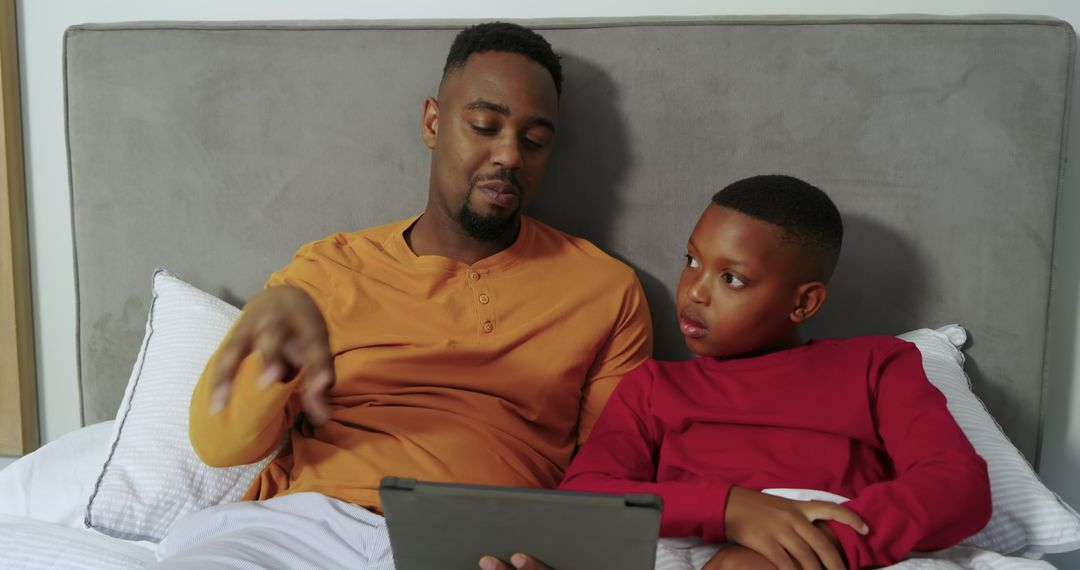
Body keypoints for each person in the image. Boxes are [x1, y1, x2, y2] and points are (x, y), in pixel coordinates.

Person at [154, 22, 653, 569]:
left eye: (534, 140)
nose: (509, 155)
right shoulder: (327, 270)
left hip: (479, 545)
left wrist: (559, 551)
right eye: (485, 125)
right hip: (311, 526)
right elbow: (219, 447)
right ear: (433, 123)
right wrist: (273, 357)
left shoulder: (605, 290)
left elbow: (612, 475)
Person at [559, 174, 992, 570]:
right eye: (691, 260)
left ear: (803, 303)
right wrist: (729, 510)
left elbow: (957, 486)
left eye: (731, 279)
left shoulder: (877, 365)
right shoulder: (652, 387)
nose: (694, 290)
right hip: (697, 544)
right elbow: (583, 499)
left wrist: (817, 543)